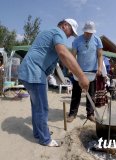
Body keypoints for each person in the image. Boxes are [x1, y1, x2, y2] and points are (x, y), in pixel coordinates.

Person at [18, 18, 89, 147]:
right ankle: (45, 139)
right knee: (42, 107)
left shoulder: (50, 32)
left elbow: (61, 60)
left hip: (29, 70)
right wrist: (82, 76)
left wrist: (72, 77)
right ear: (64, 25)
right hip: (34, 71)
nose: (69, 36)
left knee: (37, 106)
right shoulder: (58, 32)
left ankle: (39, 133)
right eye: (70, 32)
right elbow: (63, 53)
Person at [67, 21, 103, 122]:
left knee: (91, 94)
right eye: (87, 32)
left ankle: (90, 114)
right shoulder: (77, 40)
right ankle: (72, 114)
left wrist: (100, 67)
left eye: (91, 33)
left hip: (92, 71)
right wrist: (71, 67)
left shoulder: (97, 40)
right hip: (79, 71)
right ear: (84, 31)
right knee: (76, 93)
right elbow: (73, 55)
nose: (89, 34)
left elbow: (100, 55)